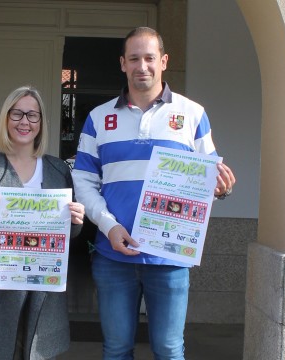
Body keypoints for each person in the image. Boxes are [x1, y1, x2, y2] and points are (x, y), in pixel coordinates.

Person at [71, 27, 236, 360]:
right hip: (112, 254)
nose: (141, 66)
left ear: (163, 61)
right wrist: (109, 226)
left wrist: (219, 189)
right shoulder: (98, 118)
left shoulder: (193, 114)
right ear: (122, 63)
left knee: (170, 349)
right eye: (134, 58)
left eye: (149, 58)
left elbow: (206, 178)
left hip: (170, 257)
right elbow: (84, 181)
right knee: (116, 349)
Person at [0, 85, 85, 360]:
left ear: (40, 123)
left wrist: (76, 221)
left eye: (32, 115)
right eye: (17, 114)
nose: (24, 121)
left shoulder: (58, 170)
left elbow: (68, 233)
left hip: (42, 288)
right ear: (6, 119)